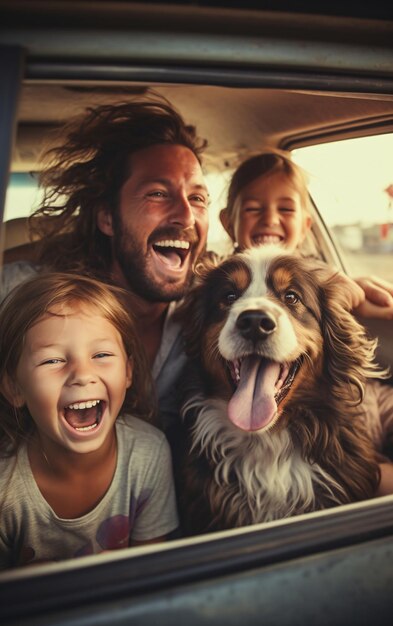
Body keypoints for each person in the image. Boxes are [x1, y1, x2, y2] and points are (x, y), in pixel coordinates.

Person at [0, 98, 210, 438]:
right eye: (158, 193)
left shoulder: (212, 314)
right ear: (107, 218)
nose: (186, 216)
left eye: (198, 198)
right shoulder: (21, 295)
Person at [218, 151, 393, 495]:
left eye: (285, 209)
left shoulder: (323, 279)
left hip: (351, 397)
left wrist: (353, 288)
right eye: (254, 208)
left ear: (306, 224)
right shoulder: (215, 278)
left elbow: (343, 298)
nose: (270, 219)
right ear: (228, 221)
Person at [0, 273, 179, 569]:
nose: (83, 374)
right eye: (52, 360)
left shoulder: (149, 453)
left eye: (102, 354)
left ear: (128, 372)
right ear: (14, 387)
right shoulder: (6, 489)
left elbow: (151, 575)